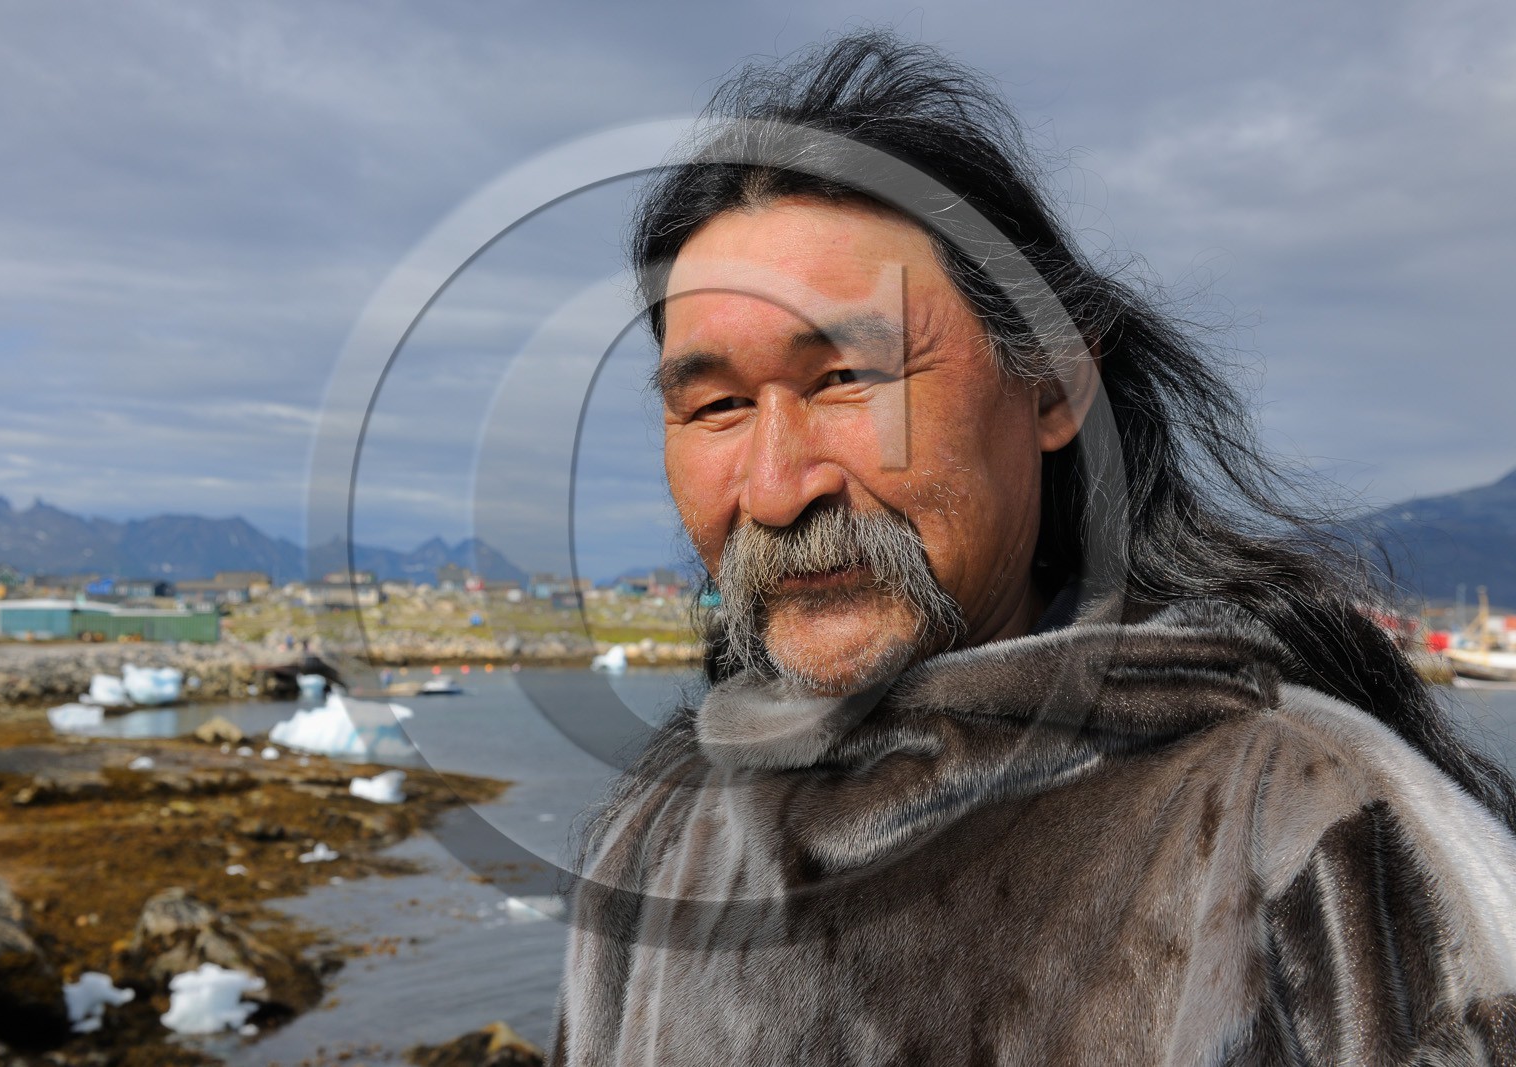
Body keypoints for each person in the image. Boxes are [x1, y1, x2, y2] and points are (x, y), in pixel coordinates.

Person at [552, 33, 1516, 1065]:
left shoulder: (1304, 822)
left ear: (1052, 389)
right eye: (719, 405)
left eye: (847, 380)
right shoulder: (661, 834)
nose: (781, 489)